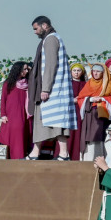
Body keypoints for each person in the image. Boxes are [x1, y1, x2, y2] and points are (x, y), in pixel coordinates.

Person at [26, 16, 77, 160]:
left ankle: (63, 153)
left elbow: (50, 64)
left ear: (45, 25)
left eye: (36, 28)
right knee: (41, 121)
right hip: (48, 89)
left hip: (53, 90)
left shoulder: (51, 39)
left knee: (57, 121)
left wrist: (46, 88)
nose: (35, 32)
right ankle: (35, 152)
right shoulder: (48, 39)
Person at [76, 64, 111, 161]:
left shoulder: (110, 83)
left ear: (103, 72)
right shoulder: (89, 83)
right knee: (90, 137)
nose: (95, 73)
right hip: (90, 115)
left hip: (104, 116)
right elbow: (80, 98)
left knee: (103, 137)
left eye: (98, 71)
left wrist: (103, 99)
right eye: (94, 71)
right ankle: (88, 158)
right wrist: (91, 99)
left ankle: (103, 158)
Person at [0, 61, 32, 159]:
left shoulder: (27, 83)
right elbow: (3, 99)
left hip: (24, 114)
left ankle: (20, 158)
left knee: (22, 135)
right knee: (14, 136)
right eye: (24, 69)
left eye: (27, 69)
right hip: (12, 114)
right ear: (18, 69)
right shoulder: (8, 83)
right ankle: (16, 158)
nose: (26, 71)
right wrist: (3, 114)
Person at [65, 63, 87, 160]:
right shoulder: (67, 83)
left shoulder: (85, 84)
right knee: (68, 133)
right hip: (69, 111)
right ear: (71, 72)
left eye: (79, 71)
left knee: (78, 133)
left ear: (82, 72)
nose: (76, 73)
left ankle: (75, 156)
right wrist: (72, 100)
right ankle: (64, 154)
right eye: (74, 70)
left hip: (80, 111)